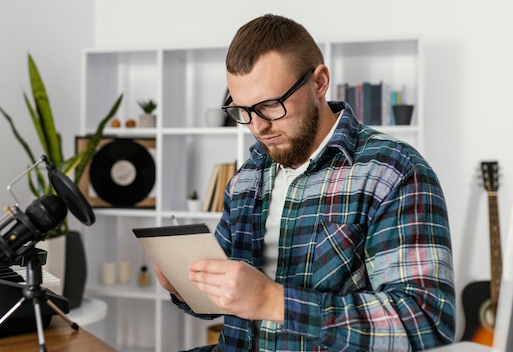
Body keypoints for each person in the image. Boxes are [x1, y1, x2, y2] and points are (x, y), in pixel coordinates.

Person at [154, 14, 455, 351]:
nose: (258, 127)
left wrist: (273, 301)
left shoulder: (394, 171)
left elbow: (427, 322)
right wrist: (185, 286)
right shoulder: (247, 177)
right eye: (244, 111)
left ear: (319, 82)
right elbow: (225, 300)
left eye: (270, 105)